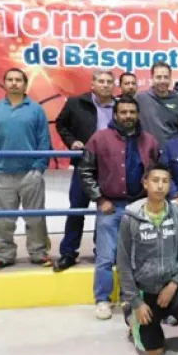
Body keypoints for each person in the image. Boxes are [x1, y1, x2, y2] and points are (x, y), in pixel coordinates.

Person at [117, 163, 178, 355]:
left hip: (173, 285)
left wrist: (175, 283)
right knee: (153, 354)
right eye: (155, 180)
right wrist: (135, 301)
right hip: (145, 290)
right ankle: (131, 316)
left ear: (169, 186)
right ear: (145, 183)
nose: (160, 186)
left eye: (165, 181)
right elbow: (123, 262)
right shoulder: (130, 218)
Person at [79, 96, 160, 320]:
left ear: (138, 115)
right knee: (106, 257)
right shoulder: (99, 139)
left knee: (137, 257)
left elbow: (156, 174)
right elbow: (85, 172)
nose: (128, 116)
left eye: (131, 112)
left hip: (140, 207)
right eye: (123, 112)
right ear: (115, 114)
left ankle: (130, 296)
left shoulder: (150, 141)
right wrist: (99, 198)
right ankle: (103, 300)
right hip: (110, 206)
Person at [0, 68, 51, 269]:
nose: (14, 83)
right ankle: (2, 254)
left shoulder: (36, 110)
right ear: (4, 83)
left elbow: (44, 141)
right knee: (0, 219)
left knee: (35, 216)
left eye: (18, 80)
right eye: (9, 79)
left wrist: (38, 168)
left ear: (25, 84)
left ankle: (38, 252)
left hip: (30, 173)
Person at [54, 70, 116, 272]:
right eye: (101, 81)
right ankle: (68, 253)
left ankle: (103, 252)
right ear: (93, 84)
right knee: (77, 210)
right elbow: (61, 124)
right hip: (84, 165)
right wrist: (72, 142)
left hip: (108, 168)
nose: (105, 85)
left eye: (109, 82)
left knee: (105, 211)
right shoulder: (76, 103)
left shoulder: (119, 107)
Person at [136, 61, 178, 147]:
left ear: (170, 79)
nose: (162, 81)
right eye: (159, 77)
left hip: (173, 153)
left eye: (166, 77)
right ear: (152, 78)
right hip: (147, 152)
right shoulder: (140, 99)